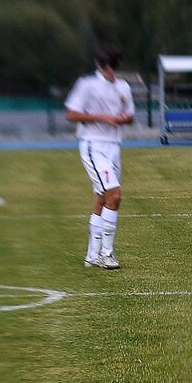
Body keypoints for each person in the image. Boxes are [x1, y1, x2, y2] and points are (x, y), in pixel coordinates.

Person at [63, 43, 135, 269]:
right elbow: (72, 114)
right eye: (107, 66)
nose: (110, 71)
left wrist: (123, 119)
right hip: (93, 145)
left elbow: (130, 116)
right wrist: (104, 118)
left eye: (113, 66)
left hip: (114, 145)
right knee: (114, 195)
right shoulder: (87, 85)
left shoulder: (123, 87)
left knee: (102, 198)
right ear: (99, 65)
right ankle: (107, 253)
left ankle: (92, 255)